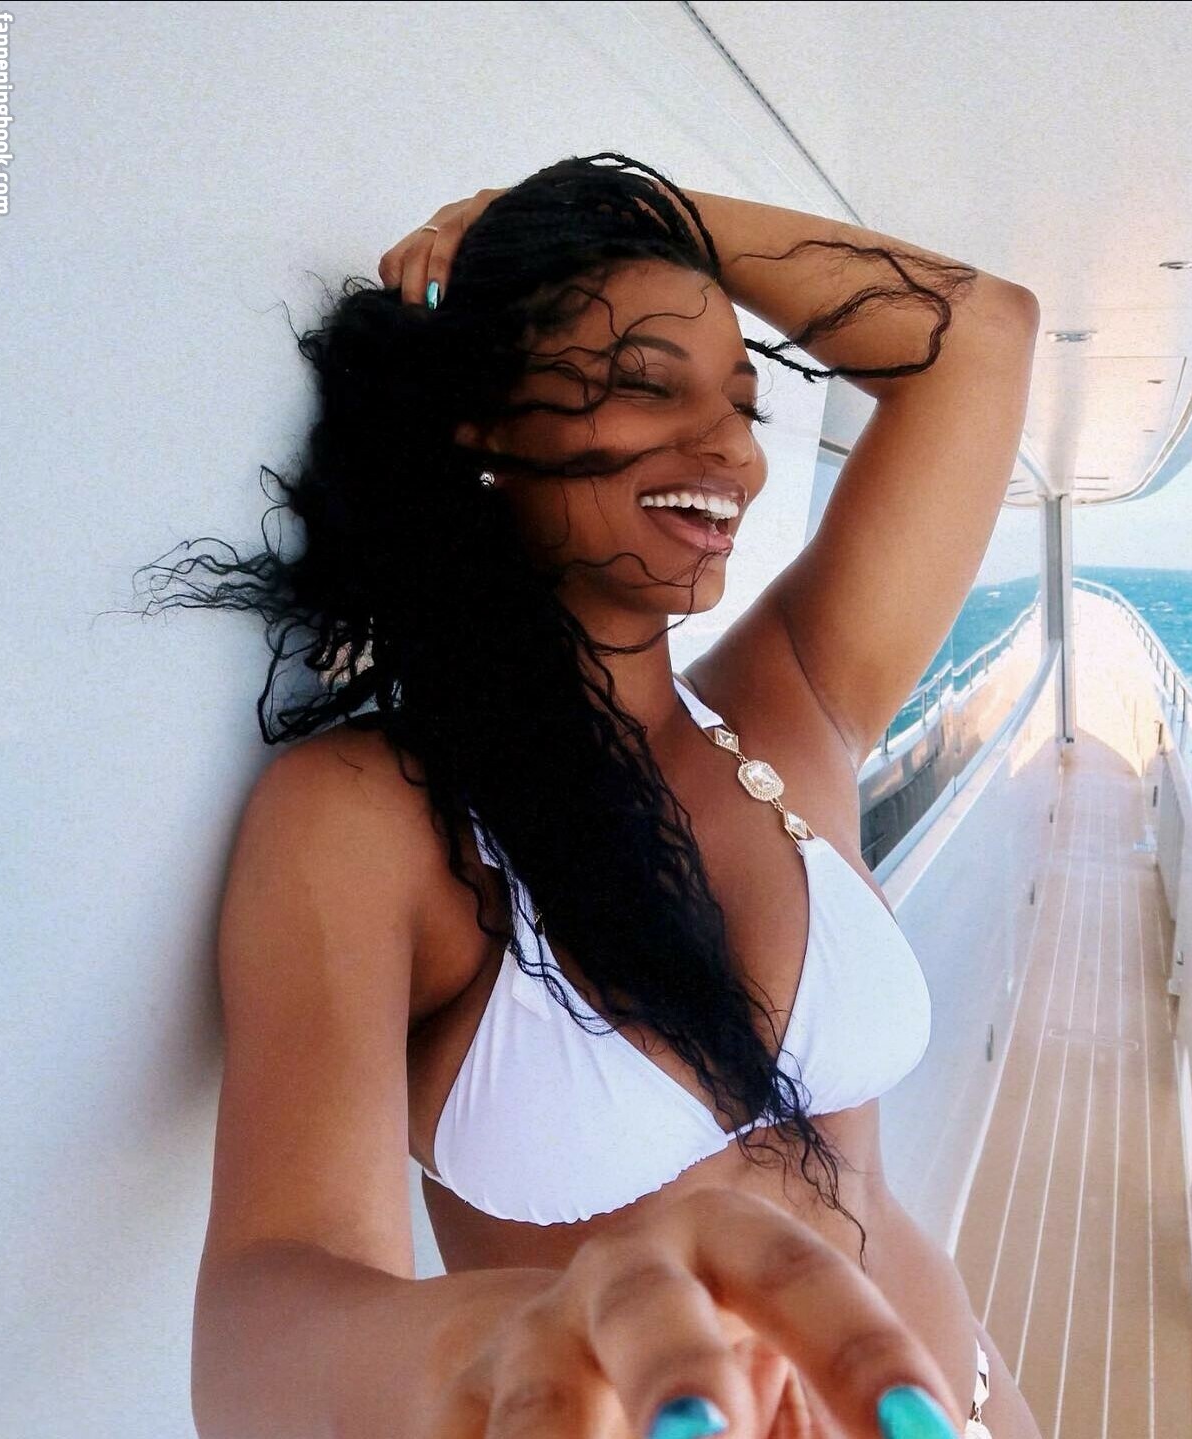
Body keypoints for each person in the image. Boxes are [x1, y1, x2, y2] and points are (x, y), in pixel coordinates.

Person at [179, 152, 1042, 1439]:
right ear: (481, 424)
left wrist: (615, 217)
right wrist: (486, 1344)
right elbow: (260, 1316)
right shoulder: (372, 822)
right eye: (646, 383)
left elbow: (980, 335)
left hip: (957, 1401)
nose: (732, 453)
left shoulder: (787, 711)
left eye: (742, 402)